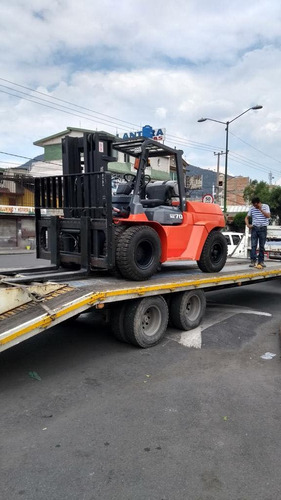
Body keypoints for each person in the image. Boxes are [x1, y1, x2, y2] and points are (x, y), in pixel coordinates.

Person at [245, 196, 271, 268]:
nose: (255, 207)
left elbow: (268, 216)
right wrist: (248, 225)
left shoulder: (266, 206)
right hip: (255, 228)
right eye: (254, 205)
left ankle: (261, 261)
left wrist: (261, 210)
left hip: (263, 228)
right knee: (253, 245)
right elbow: (247, 217)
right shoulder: (252, 208)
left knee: (262, 246)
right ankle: (253, 261)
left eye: (256, 205)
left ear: (259, 203)